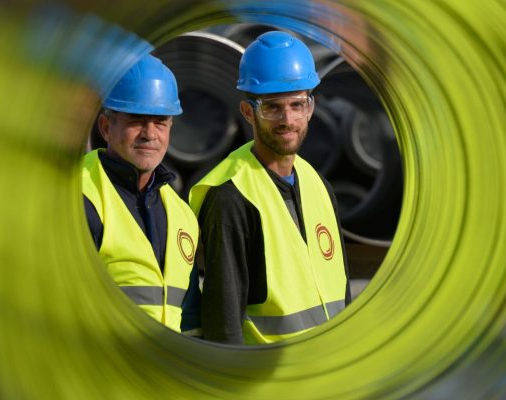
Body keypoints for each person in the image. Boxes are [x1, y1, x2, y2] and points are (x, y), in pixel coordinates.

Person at [189, 31, 351, 345]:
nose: (287, 119)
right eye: (272, 107)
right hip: (266, 372)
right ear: (247, 112)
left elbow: (341, 291)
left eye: (297, 105)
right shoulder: (230, 196)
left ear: (311, 107)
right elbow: (223, 323)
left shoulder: (317, 185)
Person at [81, 54, 200, 334]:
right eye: (137, 120)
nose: (150, 134)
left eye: (160, 122)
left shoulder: (182, 215)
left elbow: (189, 320)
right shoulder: (77, 196)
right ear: (106, 128)